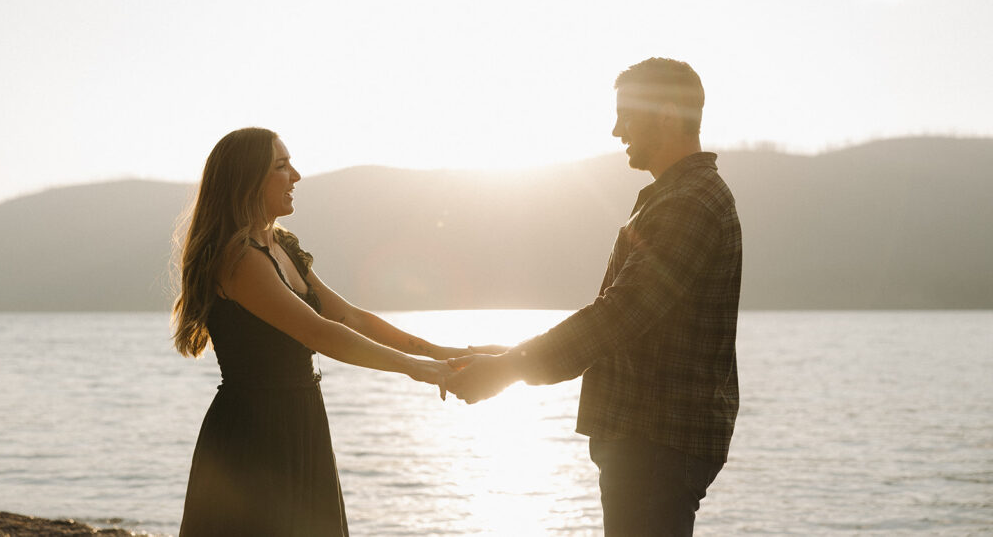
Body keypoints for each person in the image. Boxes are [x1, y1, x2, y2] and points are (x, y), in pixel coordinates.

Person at [447, 57, 742, 536]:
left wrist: (507, 370)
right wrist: (509, 356)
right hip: (651, 438)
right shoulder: (674, 197)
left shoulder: (688, 203)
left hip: (657, 440)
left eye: (626, 114)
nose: (615, 130)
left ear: (666, 114)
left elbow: (620, 315)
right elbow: (628, 325)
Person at [172, 127, 463, 537]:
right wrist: (418, 370)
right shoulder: (239, 258)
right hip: (254, 436)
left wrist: (441, 353)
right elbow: (320, 333)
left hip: (301, 420)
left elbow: (351, 319)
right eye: (281, 166)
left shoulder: (282, 245)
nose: (296, 176)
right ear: (247, 179)